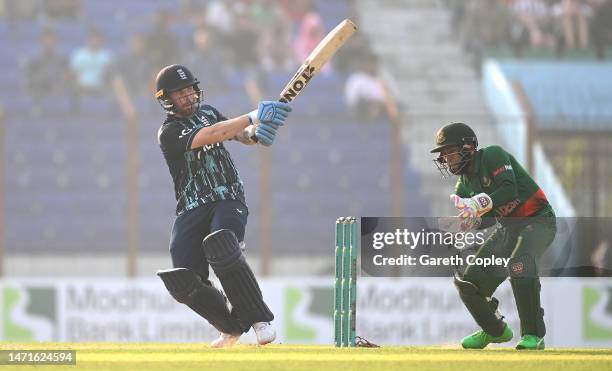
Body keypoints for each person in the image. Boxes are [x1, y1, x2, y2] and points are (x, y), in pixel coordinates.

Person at [154, 64, 292, 348]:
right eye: (181, 93)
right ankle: (230, 327)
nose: (190, 96)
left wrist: (255, 133)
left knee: (222, 246)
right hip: (191, 205)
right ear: (167, 99)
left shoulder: (208, 112)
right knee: (183, 279)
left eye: (191, 89)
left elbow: (236, 134)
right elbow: (213, 134)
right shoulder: (169, 131)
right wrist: (252, 116)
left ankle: (259, 320)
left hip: (227, 195)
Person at [431, 123, 556, 350]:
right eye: (444, 154)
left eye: (450, 151)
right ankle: (495, 331)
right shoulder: (463, 186)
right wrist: (463, 223)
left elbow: (510, 190)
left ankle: (533, 335)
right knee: (468, 283)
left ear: (468, 147)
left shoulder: (493, 155)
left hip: (539, 220)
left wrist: (477, 204)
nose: (447, 159)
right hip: (508, 228)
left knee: (520, 264)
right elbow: (484, 219)